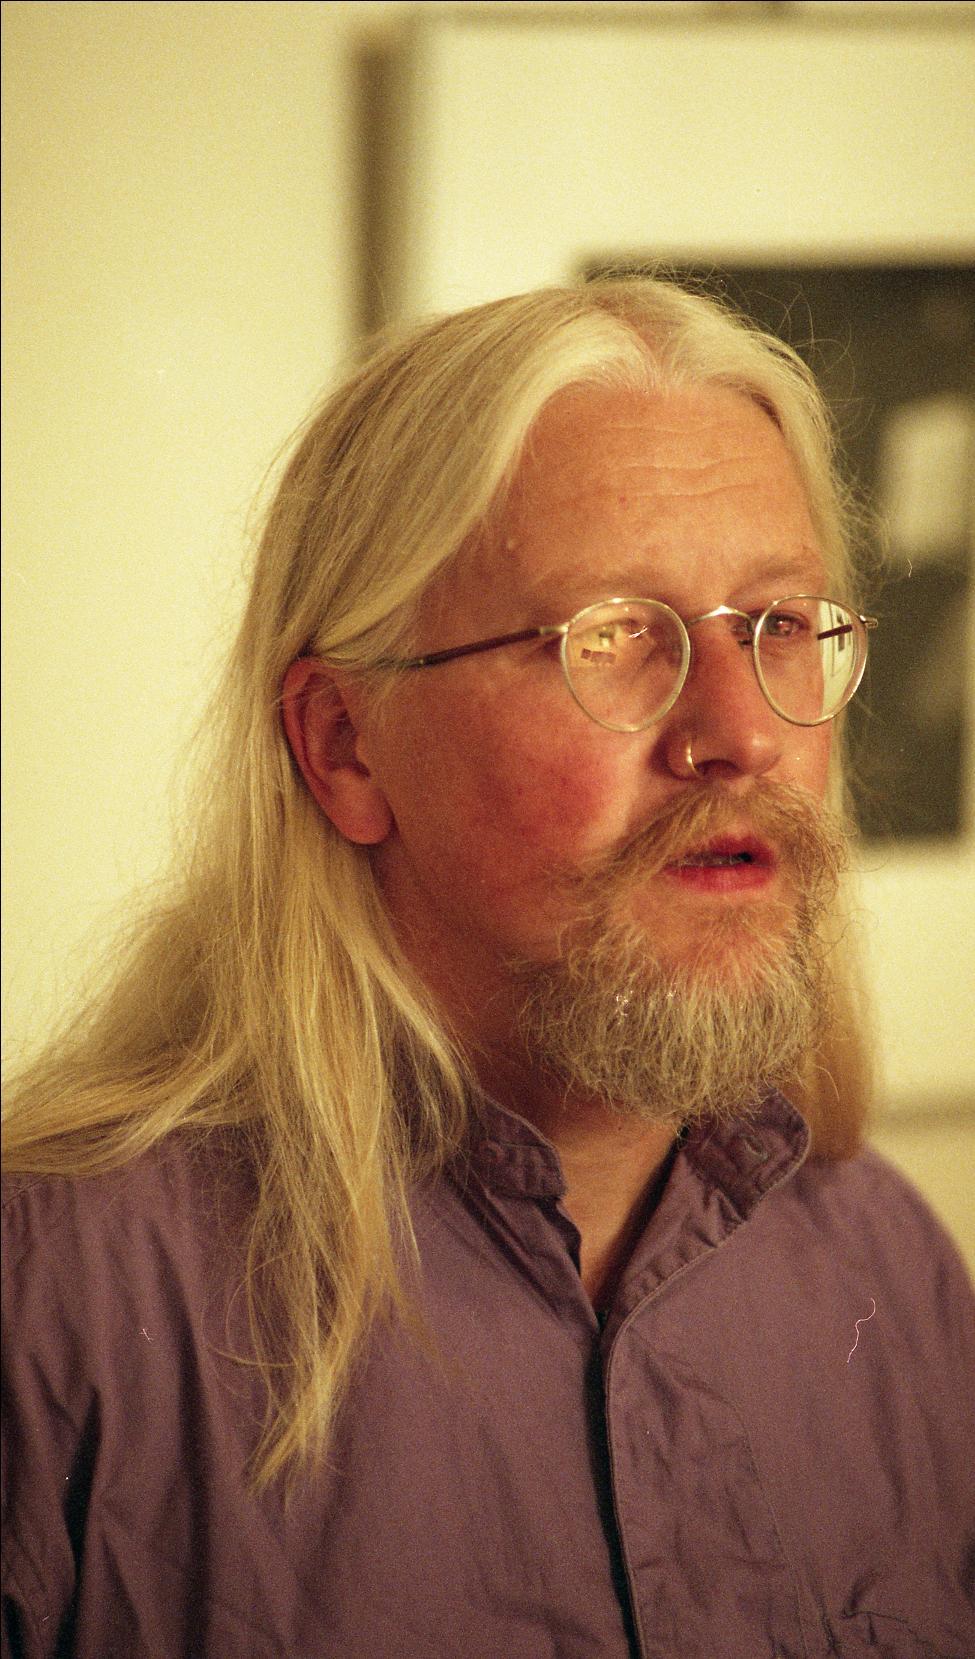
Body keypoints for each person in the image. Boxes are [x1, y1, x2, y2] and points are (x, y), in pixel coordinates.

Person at [2, 276, 972, 1659]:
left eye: (778, 627)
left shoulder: (889, 1266)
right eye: (614, 636)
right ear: (345, 746)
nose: (741, 734)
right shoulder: (55, 1317)